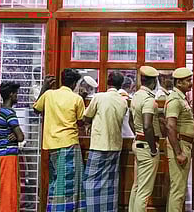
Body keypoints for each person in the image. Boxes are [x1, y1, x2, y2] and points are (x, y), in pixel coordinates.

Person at [33, 69, 86, 211]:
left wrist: (44, 88)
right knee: (69, 183)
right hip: (69, 143)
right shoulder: (77, 99)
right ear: (74, 83)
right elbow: (81, 122)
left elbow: (36, 109)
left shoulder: (49, 94)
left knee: (56, 180)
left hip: (51, 145)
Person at [82, 71, 128, 212]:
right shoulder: (123, 101)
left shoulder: (99, 97)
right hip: (115, 146)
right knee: (110, 183)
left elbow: (86, 116)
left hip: (99, 145)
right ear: (121, 85)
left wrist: (88, 123)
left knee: (91, 181)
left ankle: (91, 209)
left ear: (108, 82)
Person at [128, 66, 167, 212]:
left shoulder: (136, 96)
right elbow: (147, 125)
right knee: (144, 191)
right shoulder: (149, 100)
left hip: (138, 142)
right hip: (146, 145)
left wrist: (137, 135)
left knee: (137, 186)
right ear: (154, 81)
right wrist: (152, 148)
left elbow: (131, 121)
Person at [165, 67, 194, 212]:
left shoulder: (181, 98)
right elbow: (170, 127)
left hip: (184, 144)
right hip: (180, 145)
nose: (191, 83)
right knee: (178, 189)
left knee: (179, 188)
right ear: (179, 83)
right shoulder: (175, 100)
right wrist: (178, 153)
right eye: (188, 81)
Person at [0, 81, 25, 212]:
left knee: (3, 189)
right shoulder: (9, 113)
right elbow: (21, 137)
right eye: (16, 93)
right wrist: (16, 135)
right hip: (8, 156)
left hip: (0, 155)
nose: (17, 96)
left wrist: (14, 134)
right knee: (9, 190)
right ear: (11, 95)